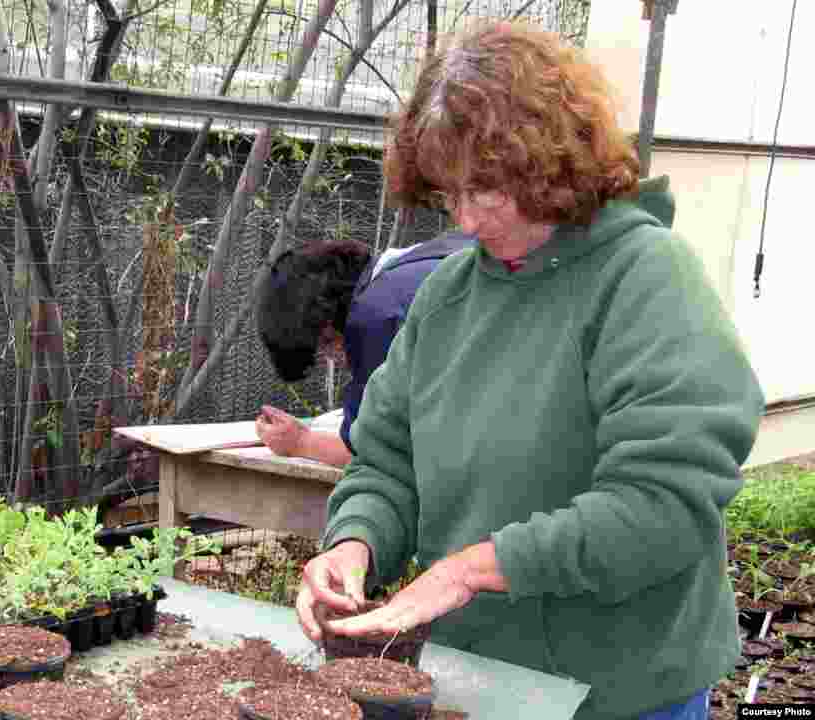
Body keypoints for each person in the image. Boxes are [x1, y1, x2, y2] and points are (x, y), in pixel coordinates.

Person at [295, 20, 764, 720]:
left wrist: (471, 568)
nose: (465, 216)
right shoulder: (448, 297)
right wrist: (356, 542)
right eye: (448, 194)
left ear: (548, 162)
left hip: (621, 689)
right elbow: (386, 462)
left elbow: (665, 503)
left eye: (483, 188)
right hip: (473, 679)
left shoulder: (645, 278)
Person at [254, 232, 476, 467]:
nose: (336, 358)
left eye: (328, 342)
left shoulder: (376, 317)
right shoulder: (422, 258)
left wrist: (300, 442)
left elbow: (371, 453)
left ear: (327, 317)